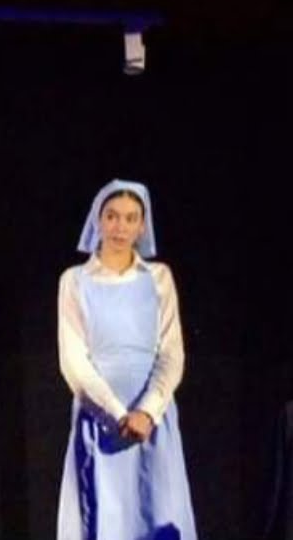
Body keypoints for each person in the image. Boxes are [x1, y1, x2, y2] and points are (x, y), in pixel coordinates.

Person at [56, 179, 197, 539]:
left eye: (131, 218)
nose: (121, 227)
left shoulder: (159, 278)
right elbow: (74, 360)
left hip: (153, 419)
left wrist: (147, 411)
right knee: (105, 518)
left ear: (142, 226)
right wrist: (118, 415)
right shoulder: (75, 281)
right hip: (101, 419)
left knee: (159, 514)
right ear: (98, 220)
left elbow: (172, 353)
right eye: (113, 216)